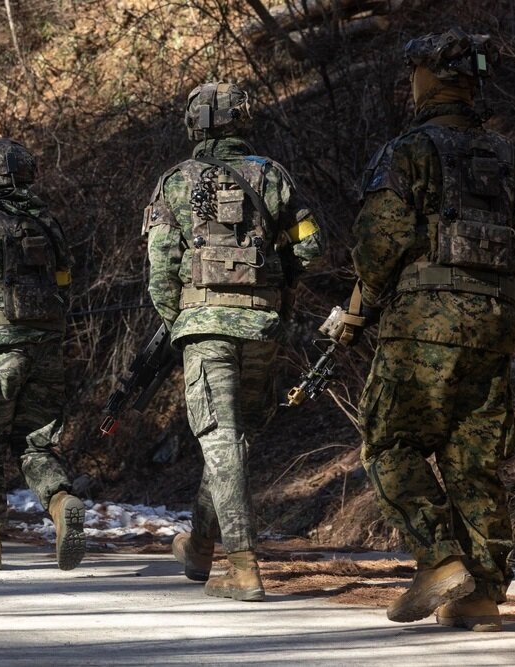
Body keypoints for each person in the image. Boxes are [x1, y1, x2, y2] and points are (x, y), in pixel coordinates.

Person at [349, 29, 515, 631]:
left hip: (421, 327)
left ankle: (439, 560)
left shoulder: (409, 150)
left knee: (388, 442)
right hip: (495, 326)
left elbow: (379, 244)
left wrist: (365, 304)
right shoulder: (511, 159)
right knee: (472, 457)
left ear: (429, 80)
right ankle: (481, 594)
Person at [144, 82, 323, 600]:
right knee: (233, 437)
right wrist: (274, 293)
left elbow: (160, 274)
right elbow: (311, 249)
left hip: (205, 328)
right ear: (244, 121)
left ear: (194, 125)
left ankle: (243, 566)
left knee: (220, 438)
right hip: (263, 327)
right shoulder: (272, 176)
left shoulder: (176, 182)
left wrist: (183, 318)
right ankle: (200, 546)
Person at [0, 138, 85, 571]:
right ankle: (62, 503)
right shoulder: (49, 224)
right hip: (46, 349)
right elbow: (63, 283)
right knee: (36, 443)